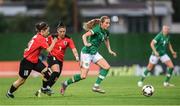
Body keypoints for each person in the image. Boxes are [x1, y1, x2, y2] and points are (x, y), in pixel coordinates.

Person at [60, 16, 117, 94]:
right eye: (106, 23)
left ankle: (96, 86)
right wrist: (86, 43)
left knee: (107, 67)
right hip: (86, 53)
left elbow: (106, 39)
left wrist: (109, 50)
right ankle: (65, 83)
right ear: (101, 23)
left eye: (109, 23)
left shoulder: (106, 32)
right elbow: (84, 36)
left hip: (94, 53)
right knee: (83, 76)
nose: (108, 24)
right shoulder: (96, 29)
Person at [6, 22, 57, 98]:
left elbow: (29, 44)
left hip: (35, 61)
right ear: (42, 31)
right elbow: (49, 50)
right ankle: (9, 93)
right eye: (47, 31)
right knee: (21, 81)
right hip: (27, 62)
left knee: (47, 73)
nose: (48, 32)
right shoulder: (41, 38)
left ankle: (44, 88)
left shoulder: (37, 36)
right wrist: (54, 42)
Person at [35, 22, 79, 97]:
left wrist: (77, 57)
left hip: (60, 60)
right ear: (57, 31)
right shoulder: (51, 37)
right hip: (51, 57)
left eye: (64, 31)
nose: (62, 33)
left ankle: (42, 90)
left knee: (54, 78)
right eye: (60, 31)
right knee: (56, 71)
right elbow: (43, 44)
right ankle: (47, 88)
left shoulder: (68, 39)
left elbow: (74, 49)